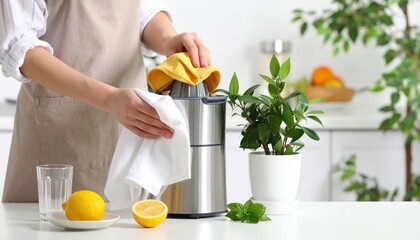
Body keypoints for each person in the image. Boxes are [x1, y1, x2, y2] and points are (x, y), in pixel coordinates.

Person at [0, 0, 211, 202]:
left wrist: (168, 39)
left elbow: (143, 10)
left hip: (130, 124)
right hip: (58, 135)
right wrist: (109, 98)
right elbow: (20, 48)